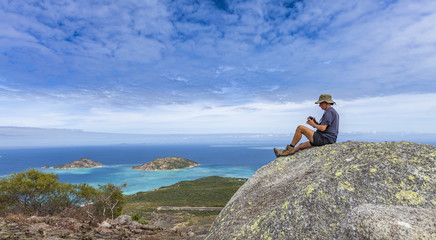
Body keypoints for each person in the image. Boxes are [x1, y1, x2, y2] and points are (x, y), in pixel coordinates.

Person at [274, 94, 339, 157]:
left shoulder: (329, 112)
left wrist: (313, 124)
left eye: (321, 103)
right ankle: (284, 153)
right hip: (328, 139)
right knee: (301, 146)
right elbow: (325, 127)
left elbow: (323, 128)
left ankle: (290, 148)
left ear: (326, 103)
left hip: (324, 139)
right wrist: (315, 122)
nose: (319, 105)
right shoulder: (332, 111)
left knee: (300, 128)